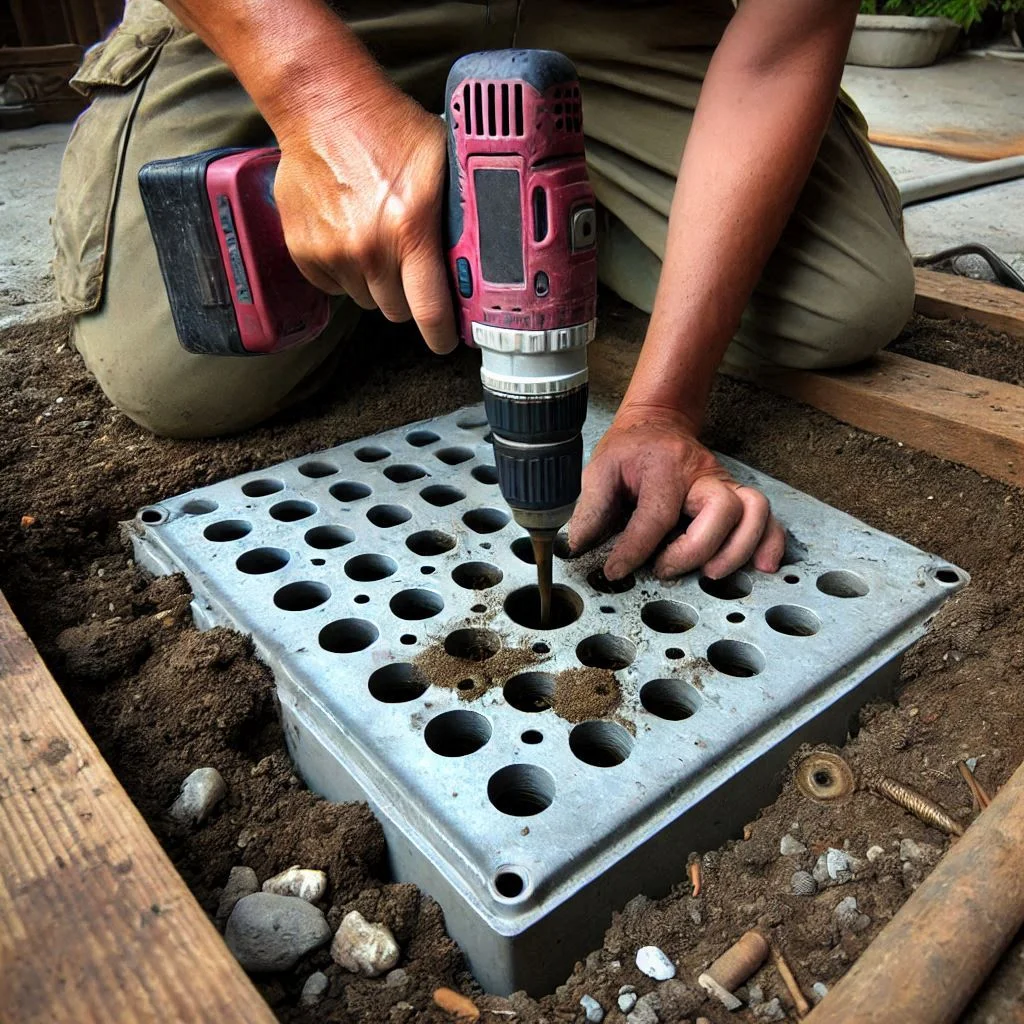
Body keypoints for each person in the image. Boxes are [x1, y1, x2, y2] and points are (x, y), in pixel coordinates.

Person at [52, 0, 913, 584]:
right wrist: (315, 100)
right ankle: (408, 234)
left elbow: (788, 36)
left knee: (842, 302)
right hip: (314, 10)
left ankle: (443, 229)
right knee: (176, 367)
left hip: (617, 14)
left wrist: (662, 407)